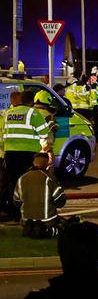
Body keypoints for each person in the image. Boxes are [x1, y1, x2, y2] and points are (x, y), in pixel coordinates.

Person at [2, 88, 43, 219]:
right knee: (27, 183)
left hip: (10, 154)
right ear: (31, 101)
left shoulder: (8, 113)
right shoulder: (33, 113)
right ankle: (26, 213)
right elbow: (44, 133)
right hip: (27, 154)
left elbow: (4, 133)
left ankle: (14, 212)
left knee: (13, 183)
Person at [16, 151, 66, 237]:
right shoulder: (49, 178)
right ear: (47, 164)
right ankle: (48, 230)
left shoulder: (21, 178)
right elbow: (60, 201)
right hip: (47, 220)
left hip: (26, 219)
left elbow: (16, 202)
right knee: (62, 226)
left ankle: (30, 227)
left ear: (33, 162)